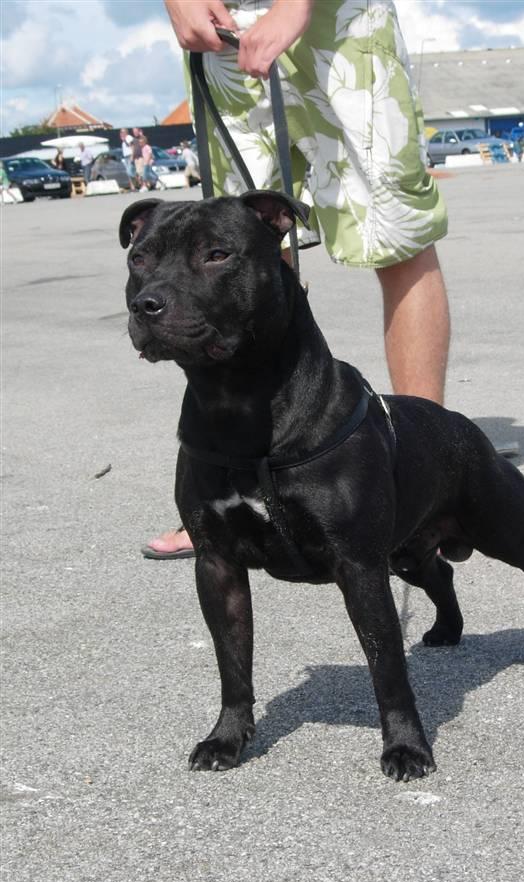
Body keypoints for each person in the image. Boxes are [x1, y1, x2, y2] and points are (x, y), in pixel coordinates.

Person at [144, 0, 451, 559]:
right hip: (226, 30)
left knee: (396, 237)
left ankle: (425, 471)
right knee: (235, 247)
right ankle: (232, 490)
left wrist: (294, 7)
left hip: (341, 23)